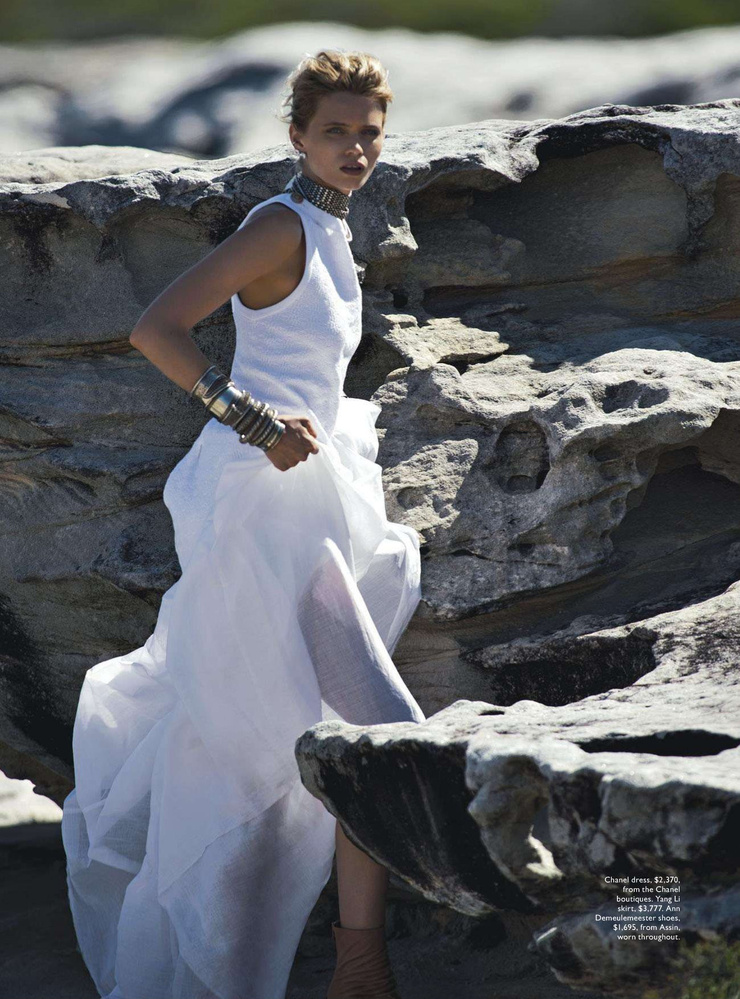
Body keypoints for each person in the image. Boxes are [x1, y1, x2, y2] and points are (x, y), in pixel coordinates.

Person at [60, 48, 426, 999]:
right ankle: (342, 964)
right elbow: (156, 328)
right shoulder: (280, 225)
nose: (355, 148)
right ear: (298, 136)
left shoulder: (335, 230)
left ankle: (360, 964)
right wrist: (252, 420)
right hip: (264, 509)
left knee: (358, 737)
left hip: (320, 499)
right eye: (335, 131)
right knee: (363, 733)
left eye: (369, 132)